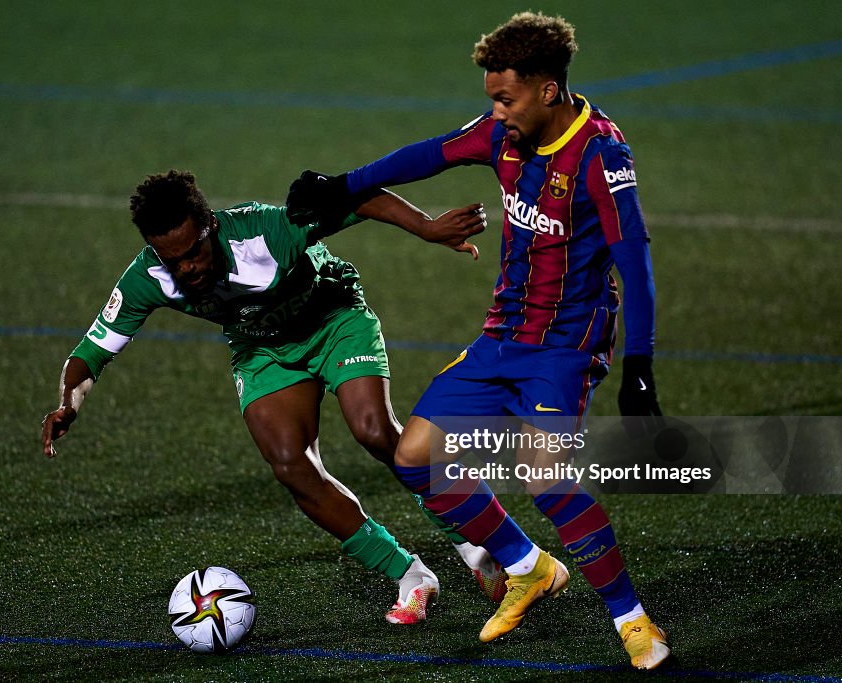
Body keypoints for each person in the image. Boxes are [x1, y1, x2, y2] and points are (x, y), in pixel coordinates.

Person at [285, 12, 670, 670]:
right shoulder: (504, 133)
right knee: (416, 456)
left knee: (546, 476)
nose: (495, 111)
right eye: (491, 97)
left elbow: (633, 259)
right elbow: (430, 154)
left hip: (565, 345)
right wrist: (343, 184)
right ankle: (528, 564)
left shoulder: (601, 154)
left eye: (505, 97)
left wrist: (639, 367)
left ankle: (631, 618)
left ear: (548, 89)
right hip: (501, 336)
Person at [40, 169, 501, 625]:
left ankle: (474, 546)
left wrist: (426, 226)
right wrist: (69, 402)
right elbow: (93, 349)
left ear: (211, 228)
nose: (188, 269)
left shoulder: (265, 231)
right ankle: (410, 575)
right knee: (290, 465)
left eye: (194, 253)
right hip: (262, 347)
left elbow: (354, 199)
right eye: (172, 260)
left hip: (332, 318)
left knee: (375, 431)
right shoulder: (150, 275)